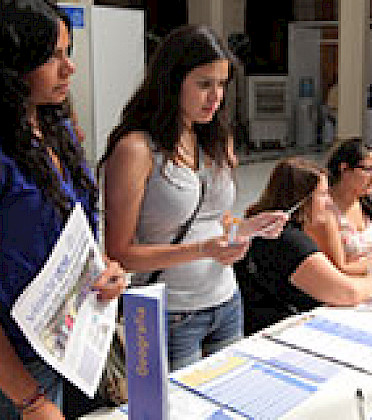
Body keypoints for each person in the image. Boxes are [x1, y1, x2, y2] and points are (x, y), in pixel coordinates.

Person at [99, 24, 287, 372]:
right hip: (170, 312)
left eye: (222, 85)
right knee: (174, 401)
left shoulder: (215, 138)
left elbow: (215, 220)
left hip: (226, 300)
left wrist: (247, 228)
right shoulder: (137, 149)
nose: (216, 97)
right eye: (204, 84)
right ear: (172, 81)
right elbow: (120, 253)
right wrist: (203, 250)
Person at [0, 1, 127, 418]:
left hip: (69, 348)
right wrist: (29, 399)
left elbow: (74, 228)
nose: (69, 68)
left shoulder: (58, 127)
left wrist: (106, 269)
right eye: (53, 56)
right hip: (16, 372)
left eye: (68, 52)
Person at [235, 157, 372, 334]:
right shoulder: (289, 240)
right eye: (323, 195)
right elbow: (348, 293)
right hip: (280, 331)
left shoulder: (261, 226)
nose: (329, 202)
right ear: (303, 200)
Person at [306, 138, 372, 276]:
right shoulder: (324, 209)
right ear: (344, 168)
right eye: (368, 170)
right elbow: (339, 268)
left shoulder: (371, 204)